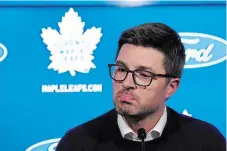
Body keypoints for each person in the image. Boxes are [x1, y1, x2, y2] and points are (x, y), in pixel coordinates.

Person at [55, 22, 226, 151]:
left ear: (171, 87)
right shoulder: (77, 143)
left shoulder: (206, 142)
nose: (126, 83)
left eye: (144, 75)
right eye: (121, 69)